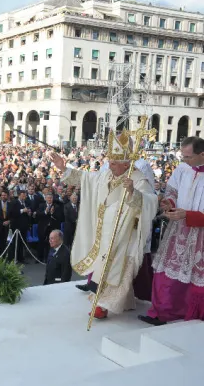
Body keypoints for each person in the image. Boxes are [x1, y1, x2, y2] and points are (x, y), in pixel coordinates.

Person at [50, 128, 158, 319]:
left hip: (123, 234)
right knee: (104, 267)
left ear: (126, 164)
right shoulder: (105, 174)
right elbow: (85, 179)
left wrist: (134, 193)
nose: (110, 165)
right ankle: (123, 301)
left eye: (115, 162)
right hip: (103, 231)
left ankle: (102, 305)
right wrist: (63, 168)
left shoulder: (138, 178)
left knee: (116, 269)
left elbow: (151, 202)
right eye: (110, 160)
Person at [140, 136, 204, 325]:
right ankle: (162, 312)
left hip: (200, 235)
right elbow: (173, 191)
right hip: (179, 230)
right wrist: (169, 204)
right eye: (182, 156)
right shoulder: (183, 169)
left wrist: (189, 215)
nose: (184, 161)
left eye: (188, 157)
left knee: (194, 279)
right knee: (165, 274)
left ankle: (192, 317)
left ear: (202, 154)